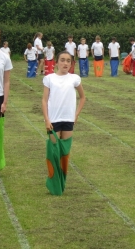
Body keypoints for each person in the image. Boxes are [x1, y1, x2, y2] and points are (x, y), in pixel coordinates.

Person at [42, 51, 86, 194]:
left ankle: (62, 183)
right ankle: (53, 183)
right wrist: (47, 119)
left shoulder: (74, 78)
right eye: (62, 60)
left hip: (68, 120)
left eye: (68, 61)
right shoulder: (49, 78)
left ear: (72, 63)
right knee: (54, 152)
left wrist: (76, 114)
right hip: (54, 120)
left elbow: (83, 97)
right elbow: (44, 100)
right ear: (57, 62)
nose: (65, 63)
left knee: (64, 154)